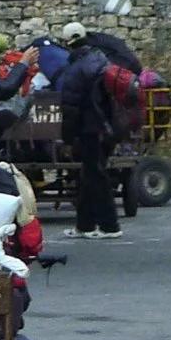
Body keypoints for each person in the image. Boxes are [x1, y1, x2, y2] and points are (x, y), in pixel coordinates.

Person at [54, 35, 124, 239]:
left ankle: (110, 226)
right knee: (89, 175)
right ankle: (84, 225)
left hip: (90, 130)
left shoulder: (75, 71)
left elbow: (70, 109)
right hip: (108, 127)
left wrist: (66, 140)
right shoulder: (102, 60)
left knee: (96, 176)